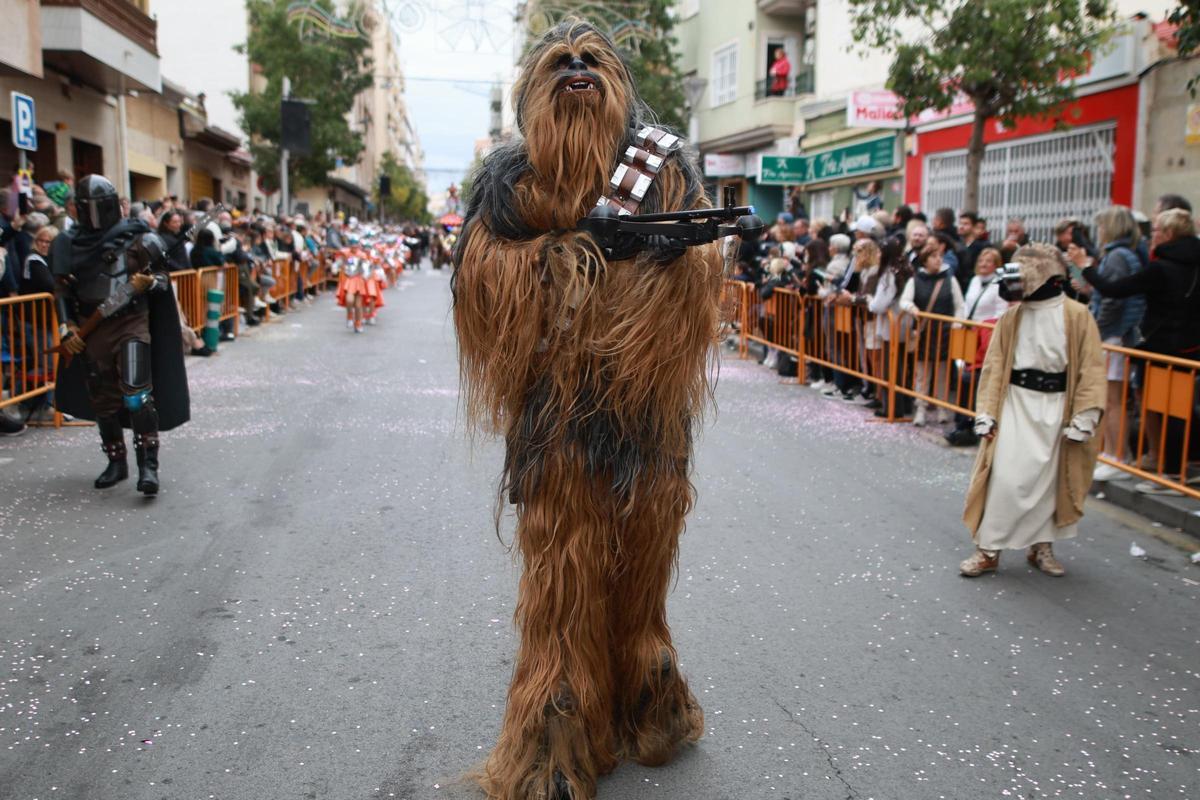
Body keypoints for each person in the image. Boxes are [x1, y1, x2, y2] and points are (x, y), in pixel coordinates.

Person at [452, 20, 714, 798]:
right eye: (559, 62)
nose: (576, 69)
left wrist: (641, 274)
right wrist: (559, 263)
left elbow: (696, 271)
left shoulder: (661, 168)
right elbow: (479, 275)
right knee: (562, 574)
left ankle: (646, 693)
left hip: (648, 416)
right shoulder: (509, 180)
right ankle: (554, 729)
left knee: (641, 572)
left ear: (622, 87)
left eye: (592, 61)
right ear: (531, 92)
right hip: (557, 416)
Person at [961, 244, 1106, 577]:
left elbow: (1091, 369)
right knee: (1005, 478)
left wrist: (1085, 416)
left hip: (1057, 406)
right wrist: (986, 412)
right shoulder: (1013, 317)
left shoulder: (1076, 315)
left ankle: (1042, 546)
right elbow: (995, 365)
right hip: (1016, 402)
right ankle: (989, 549)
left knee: (1049, 482)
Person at [52, 175, 189, 495]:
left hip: (130, 321)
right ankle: (116, 460)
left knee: (137, 395)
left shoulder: (139, 237)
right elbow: (61, 288)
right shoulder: (67, 242)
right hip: (91, 325)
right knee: (103, 399)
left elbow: (164, 280)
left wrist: (148, 284)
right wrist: (65, 325)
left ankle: (148, 466)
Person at [1076, 208, 1200, 491]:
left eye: (1155, 231)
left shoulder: (1161, 267)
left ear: (1168, 234)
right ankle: (1164, 465)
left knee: (1162, 409)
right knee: (1173, 410)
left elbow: (1115, 290)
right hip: (1188, 348)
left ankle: (1170, 473)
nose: (1151, 236)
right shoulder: (1188, 264)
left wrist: (1085, 267)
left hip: (1160, 347)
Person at [1065, 207, 1145, 481]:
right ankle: (1113, 453)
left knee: (1113, 400)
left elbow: (1113, 299)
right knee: (1111, 399)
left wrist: (1097, 326)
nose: (1098, 232)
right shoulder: (1121, 255)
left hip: (1114, 335)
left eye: (1101, 227)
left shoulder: (1118, 256)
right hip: (1115, 333)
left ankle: (1117, 455)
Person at [944, 247, 1010, 446]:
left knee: (977, 380)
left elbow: (1001, 312)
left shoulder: (1000, 284)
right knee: (965, 379)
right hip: (970, 334)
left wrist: (984, 327)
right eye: (981, 260)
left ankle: (974, 424)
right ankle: (962, 422)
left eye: (988, 261)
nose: (983, 264)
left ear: (996, 265)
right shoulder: (973, 280)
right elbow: (966, 305)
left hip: (987, 336)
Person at [900, 241, 965, 427]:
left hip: (945, 333)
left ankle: (942, 408)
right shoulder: (915, 280)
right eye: (933, 257)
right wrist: (911, 308)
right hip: (924, 332)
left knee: (943, 373)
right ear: (924, 260)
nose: (938, 260)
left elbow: (960, 305)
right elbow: (904, 301)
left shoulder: (950, 280)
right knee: (922, 373)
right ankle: (920, 408)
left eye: (940, 257)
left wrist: (958, 324)